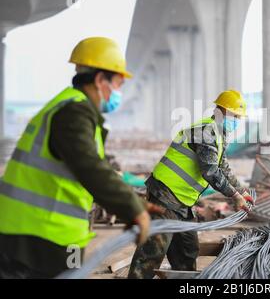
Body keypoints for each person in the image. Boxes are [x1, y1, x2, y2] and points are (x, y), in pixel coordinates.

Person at [0, 37, 162, 279]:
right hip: (37, 236)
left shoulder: (71, 109)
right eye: (117, 84)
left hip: (43, 233)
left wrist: (136, 204)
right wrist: (132, 209)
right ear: (99, 80)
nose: (118, 93)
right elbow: (91, 168)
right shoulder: (74, 112)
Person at [128, 89, 255, 279]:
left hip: (183, 200)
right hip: (166, 195)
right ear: (221, 112)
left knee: (187, 250)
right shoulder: (206, 132)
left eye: (239, 117)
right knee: (153, 251)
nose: (236, 121)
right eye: (234, 116)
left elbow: (223, 168)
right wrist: (234, 196)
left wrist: (241, 191)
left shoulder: (219, 134)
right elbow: (210, 171)